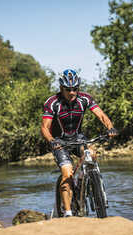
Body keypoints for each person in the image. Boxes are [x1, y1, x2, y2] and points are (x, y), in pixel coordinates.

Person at [41, 69, 118, 217]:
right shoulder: (52, 102)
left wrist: (110, 128)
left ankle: (91, 183)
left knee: (92, 154)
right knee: (67, 172)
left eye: (75, 89)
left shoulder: (85, 99)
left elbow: (101, 115)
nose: (72, 92)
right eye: (68, 89)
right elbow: (44, 127)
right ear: (61, 88)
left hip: (78, 138)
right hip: (59, 141)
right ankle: (68, 213)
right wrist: (51, 141)